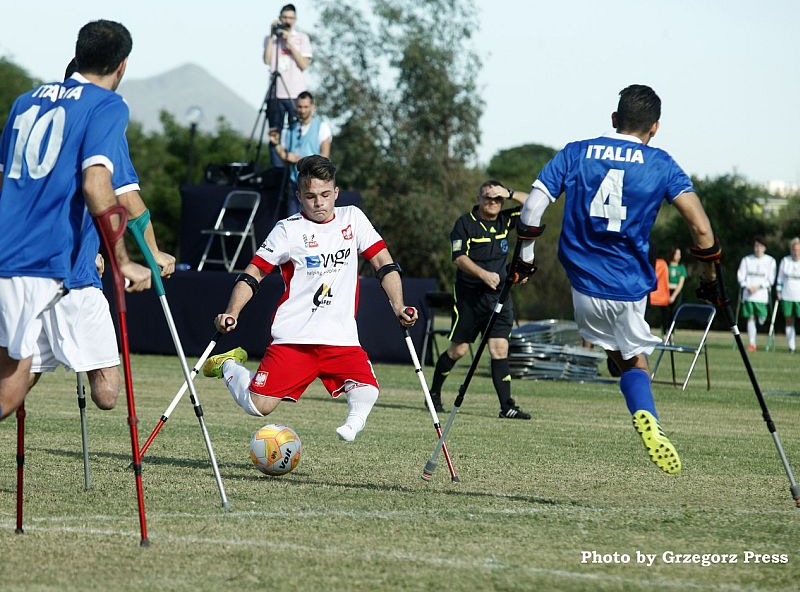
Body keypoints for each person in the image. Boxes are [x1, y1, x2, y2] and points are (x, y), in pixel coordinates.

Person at [511, 84, 720, 474]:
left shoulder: (576, 152)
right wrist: (709, 278)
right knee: (638, 364)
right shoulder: (661, 163)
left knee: (619, 356)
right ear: (654, 127)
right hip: (629, 285)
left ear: (614, 119)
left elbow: (534, 206)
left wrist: (524, 260)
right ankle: (647, 415)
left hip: (583, 285)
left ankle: (634, 393)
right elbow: (702, 230)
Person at [202, 155, 417, 442]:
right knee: (258, 406)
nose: (320, 203)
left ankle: (351, 427)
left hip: (339, 335)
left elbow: (384, 263)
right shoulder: (287, 230)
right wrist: (232, 311)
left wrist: (399, 306)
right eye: (311, 196)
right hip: (294, 336)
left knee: (368, 387)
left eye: (326, 195)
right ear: (299, 196)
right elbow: (253, 273)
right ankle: (229, 365)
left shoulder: (353, 218)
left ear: (336, 193)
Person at [0, 20, 151, 422]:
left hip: (12, 260)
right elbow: (97, 185)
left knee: (12, 383)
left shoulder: (26, 100)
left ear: (79, 53)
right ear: (122, 65)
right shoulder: (107, 105)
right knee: (10, 388)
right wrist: (122, 260)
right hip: (43, 263)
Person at [27, 59, 176, 410]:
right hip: (73, 279)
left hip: (28, 270)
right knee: (106, 395)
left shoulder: (33, 117)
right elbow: (125, 199)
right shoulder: (101, 120)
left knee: (17, 380)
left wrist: (94, 248)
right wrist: (151, 252)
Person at [428, 181, 532, 419]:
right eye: (488, 197)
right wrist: (483, 275)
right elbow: (458, 257)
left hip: (499, 296)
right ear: (478, 198)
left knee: (499, 348)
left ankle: (507, 406)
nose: (492, 202)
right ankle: (433, 394)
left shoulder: (506, 220)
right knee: (459, 350)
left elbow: (535, 204)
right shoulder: (465, 224)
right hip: (470, 297)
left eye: (497, 199)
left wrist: (510, 192)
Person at [269, 91, 333, 216]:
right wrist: (276, 144)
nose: (302, 110)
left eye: (305, 107)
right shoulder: (291, 129)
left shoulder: (321, 127)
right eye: (299, 107)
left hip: (316, 186)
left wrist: (299, 160)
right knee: (294, 221)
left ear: (312, 107)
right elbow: (284, 157)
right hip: (295, 184)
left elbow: (324, 157)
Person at [263, 3, 312, 132]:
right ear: (279, 18)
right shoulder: (271, 39)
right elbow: (267, 60)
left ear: (295, 20)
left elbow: (304, 64)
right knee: (274, 133)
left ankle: (292, 153)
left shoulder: (302, 38)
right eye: (284, 17)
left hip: (295, 93)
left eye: (290, 18)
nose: (287, 21)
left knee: (295, 131)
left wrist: (289, 43)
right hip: (275, 93)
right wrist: (272, 35)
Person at [737, 238, 776, 351]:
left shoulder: (770, 261)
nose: (758, 249)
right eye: (756, 246)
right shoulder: (746, 260)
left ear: (764, 248)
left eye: (760, 246)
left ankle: (762, 319)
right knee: (750, 318)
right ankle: (752, 343)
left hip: (762, 296)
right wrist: (746, 286)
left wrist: (758, 287)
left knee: (762, 318)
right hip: (748, 295)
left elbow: (770, 280)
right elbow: (740, 276)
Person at [776, 237, 800, 353]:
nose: (796, 252)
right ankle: (791, 346)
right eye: (794, 250)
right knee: (789, 321)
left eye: (798, 250)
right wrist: (778, 291)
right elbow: (780, 278)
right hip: (787, 295)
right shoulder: (785, 261)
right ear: (791, 250)